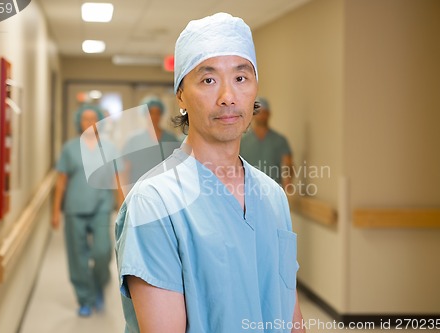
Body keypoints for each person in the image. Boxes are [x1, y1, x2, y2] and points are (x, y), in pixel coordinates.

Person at [115, 12, 304, 333]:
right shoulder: (155, 203)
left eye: (241, 78)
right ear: (180, 95)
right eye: (208, 79)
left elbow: (290, 314)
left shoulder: (271, 196)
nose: (228, 97)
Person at [52, 104, 124, 317]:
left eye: (94, 118)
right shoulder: (70, 148)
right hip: (74, 208)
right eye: (85, 119)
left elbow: (118, 178)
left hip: (101, 207)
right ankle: (85, 298)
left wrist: (122, 205)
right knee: (77, 256)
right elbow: (61, 181)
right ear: (79, 122)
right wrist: (55, 211)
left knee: (102, 251)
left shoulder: (110, 148)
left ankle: (99, 285)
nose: (90, 123)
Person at [121, 96, 180, 191]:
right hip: (138, 190)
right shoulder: (134, 140)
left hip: (165, 189)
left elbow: (177, 167)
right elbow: (125, 171)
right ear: (145, 115)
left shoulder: (171, 139)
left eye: (157, 113)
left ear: (161, 114)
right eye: (151, 113)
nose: (154, 116)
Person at [240, 96, 294, 190]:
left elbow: (288, 165)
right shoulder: (242, 142)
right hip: (248, 191)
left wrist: (287, 186)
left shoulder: (280, 141)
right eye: (258, 112)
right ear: (253, 114)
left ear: (269, 114)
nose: (261, 116)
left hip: (273, 191)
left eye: (264, 112)